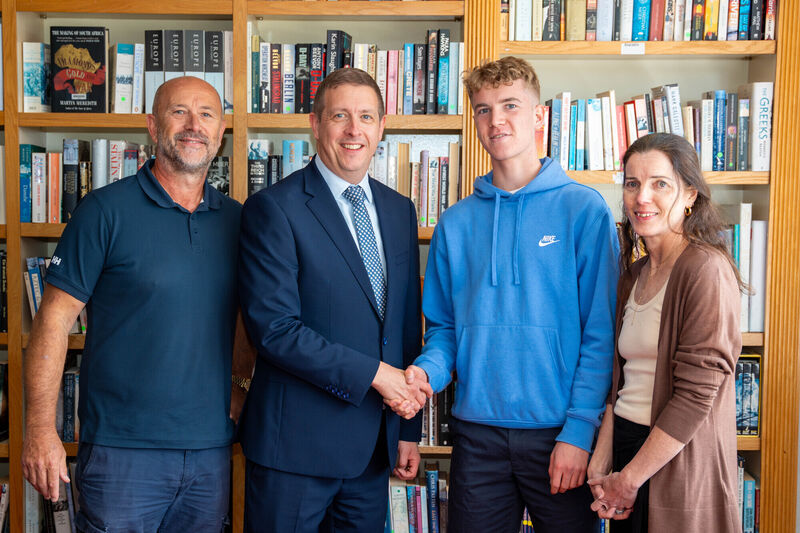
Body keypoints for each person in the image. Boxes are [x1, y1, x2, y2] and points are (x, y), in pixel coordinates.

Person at [21, 76, 244, 532]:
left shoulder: (240, 221)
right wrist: (41, 429)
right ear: (152, 126)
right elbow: (52, 322)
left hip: (210, 453)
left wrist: (240, 387)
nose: (193, 125)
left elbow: (247, 316)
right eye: (178, 111)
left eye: (206, 115)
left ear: (221, 133)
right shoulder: (103, 212)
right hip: (122, 455)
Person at [408, 56, 620, 532]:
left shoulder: (584, 211)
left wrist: (580, 432)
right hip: (477, 436)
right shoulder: (455, 223)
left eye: (509, 106)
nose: (495, 120)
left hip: (559, 434)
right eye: (482, 110)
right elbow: (444, 329)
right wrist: (425, 374)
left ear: (540, 116)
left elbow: (600, 333)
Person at [237, 67, 430, 532]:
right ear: (315, 123)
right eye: (339, 115)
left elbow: (404, 326)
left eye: (366, 116)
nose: (353, 130)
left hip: (370, 457)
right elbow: (274, 330)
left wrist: (406, 433)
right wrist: (375, 376)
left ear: (382, 127)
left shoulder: (399, 210)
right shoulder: (274, 209)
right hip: (294, 453)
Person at [587, 133, 744, 532]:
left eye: (660, 184)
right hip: (626, 448)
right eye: (632, 183)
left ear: (690, 195)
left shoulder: (705, 269)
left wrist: (630, 478)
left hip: (674, 459)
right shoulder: (634, 274)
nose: (643, 198)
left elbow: (695, 397)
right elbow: (619, 380)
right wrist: (602, 458)